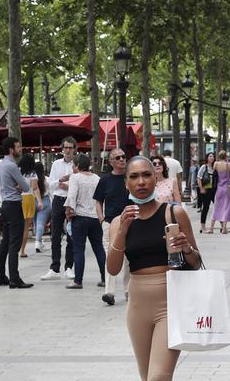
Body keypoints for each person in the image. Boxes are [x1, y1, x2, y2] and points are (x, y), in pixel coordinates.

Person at [106, 156, 203, 380]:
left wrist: (186, 248)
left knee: (158, 377)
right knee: (146, 376)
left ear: (156, 179)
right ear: (126, 183)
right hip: (137, 305)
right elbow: (112, 269)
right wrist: (122, 231)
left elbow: (197, 263)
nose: (141, 182)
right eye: (134, 176)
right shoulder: (119, 222)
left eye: (146, 175)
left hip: (170, 302)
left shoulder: (173, 213)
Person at [0, 137, 34, 289]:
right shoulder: (11, 166)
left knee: (5, 241)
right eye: (18, 147)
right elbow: (25, 186)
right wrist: (19, 186)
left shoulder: (1, 165)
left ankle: (1, 275)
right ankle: (14, 278)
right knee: (14, 243)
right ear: (11, 149)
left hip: (5, 205)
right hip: (14, 206)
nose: (20, 149)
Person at [64, 154, 106, 289]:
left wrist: (69, 212)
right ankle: (105, 278)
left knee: (78, 250)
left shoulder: (75, 178)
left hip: (80, 217)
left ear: (77, 166)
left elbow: (71, 196)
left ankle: (78, 280)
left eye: (73, 166)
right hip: (95, 217)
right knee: (99, 248)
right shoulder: (97, 178)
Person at [96, 148, 130, 305]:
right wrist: (101, 219)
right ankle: (109, 292)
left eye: (123, 156)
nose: (122, 159)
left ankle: (128, 290)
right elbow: (98, 201)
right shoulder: (105, 180)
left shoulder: (130, 177)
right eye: (118, 157)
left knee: (129, 258)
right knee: (111, 257)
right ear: (111, 162)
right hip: (109, 223)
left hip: (129, 221)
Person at [41, 137, 77, 281]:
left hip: (71, 201)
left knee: (71, 235)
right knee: (55, 234)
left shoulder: (77, 164)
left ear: (74, 149)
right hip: (57, 200)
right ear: (62, 149)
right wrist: (62, 180)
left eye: (70, 148)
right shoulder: (56, 164)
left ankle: (69, 267)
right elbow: (51, 184)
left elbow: (78, 183)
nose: (68, 150)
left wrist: (69, 185)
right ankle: (54, 268)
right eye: (66, 147)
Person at [18, 154, 43, 258]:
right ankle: (22, 251)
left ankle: (14, 248)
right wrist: (40, 201)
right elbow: (35, 188)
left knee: (16, 226)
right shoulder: (33, 173)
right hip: (29, 199)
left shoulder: (17, 170)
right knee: (25, 228)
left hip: (17, 199)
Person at [32, 162, 52, 253]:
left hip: (33, 200)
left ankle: (39, 241)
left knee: (35, 222)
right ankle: (37, 242)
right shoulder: (46, 179)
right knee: (41, 222)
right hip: (45, 201)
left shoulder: (32, 179)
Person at [196, 152, 216, 234]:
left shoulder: (215, 167)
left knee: (218, 207)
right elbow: (199, 178)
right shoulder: (204, 167)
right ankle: (203, 227)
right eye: (210, 156)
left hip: (214, 189)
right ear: (207, 158)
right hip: (206, 189)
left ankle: (223, 226)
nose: (212, 158)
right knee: (205, 208)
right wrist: (201, 188)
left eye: (213, 156)